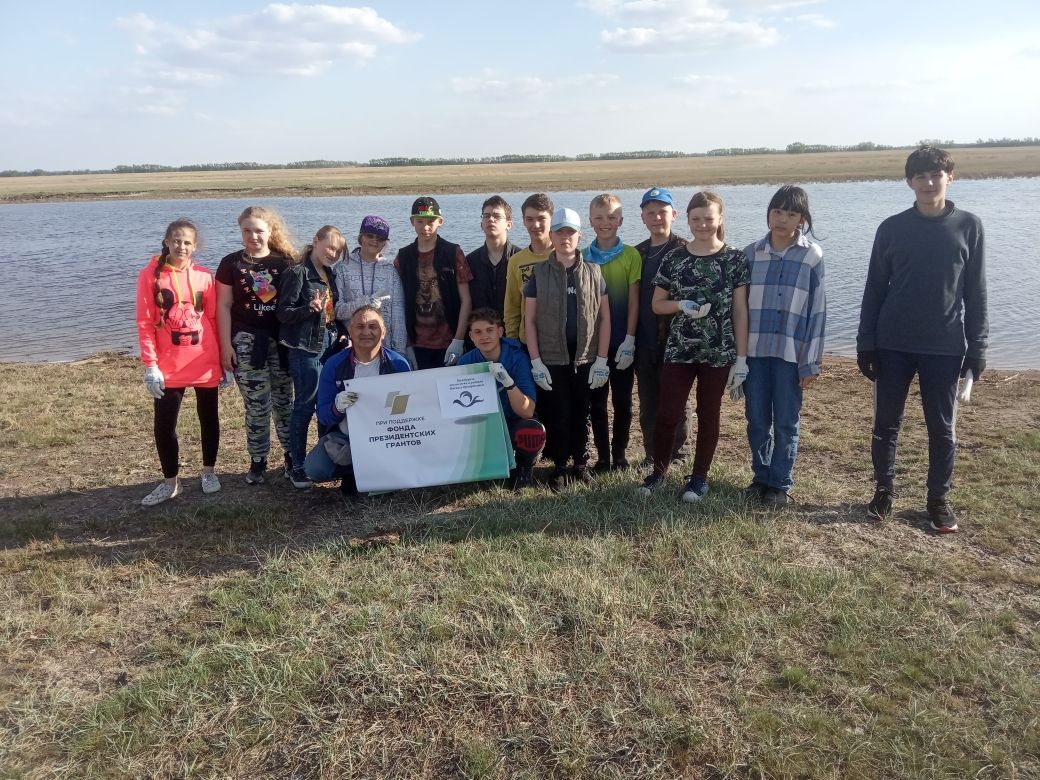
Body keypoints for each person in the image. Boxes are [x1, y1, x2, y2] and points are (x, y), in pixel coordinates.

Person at [857, 146, 987, 534]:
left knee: (942, 428)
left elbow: (976, 292)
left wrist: (977, 347)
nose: (929, 182)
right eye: (921, 176)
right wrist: (865, 342)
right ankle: (884, 491)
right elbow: (874, 289)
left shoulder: (969, 226)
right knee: (886, 423)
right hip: (892, 343)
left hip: (944, 346)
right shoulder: (891, 228)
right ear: (909, 182)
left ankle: (938, 500)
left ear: (950, 177)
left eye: (936, 175)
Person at [640, 191, 750, 502]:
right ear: (687, 220)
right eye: (696, 218)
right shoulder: (675, 258)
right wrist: (680, 305)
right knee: (668, 412)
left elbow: (740, 311)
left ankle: (699, 478)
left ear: (720, 219)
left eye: (708, 218)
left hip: (718, 351)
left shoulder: (734, 259)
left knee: (709, 413)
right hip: (680, 349)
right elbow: (657, 304)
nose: (702, 224)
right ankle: (658, 472)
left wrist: (741, 359)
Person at [741, 186, 826, 506]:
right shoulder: (750, 254)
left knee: (787, 421)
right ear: (768, 214)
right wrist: (737, 356)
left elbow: (817, 311)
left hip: (791, 354)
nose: (782, 219)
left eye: (791, 214)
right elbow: (738, 308)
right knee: (757, 419)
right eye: (777, 211)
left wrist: (811, 362)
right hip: (754, 352)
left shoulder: (811, 256)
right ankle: (761, 477)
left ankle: (780, 483)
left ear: (801, 219)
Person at [135, 219, 222, 506]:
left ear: (194, 246)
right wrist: (151, 365)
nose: (181, 246)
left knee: (209, 418)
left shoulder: (205, 276)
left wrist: (223, 360)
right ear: (166, 242)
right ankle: (171, 482)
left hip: (204, 360)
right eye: (176, 240)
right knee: (164, 424)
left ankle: (208, 472)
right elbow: (145, 323)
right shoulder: (151, 276)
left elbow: (213, 318)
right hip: (169, 365)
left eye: (186, 242)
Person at [524, 207, 610, 490]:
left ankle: (581, 465)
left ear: (579, 236)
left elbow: (605, 319)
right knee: (559, 412)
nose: (565, 238)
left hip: (586, 357)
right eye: (559, 232)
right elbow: (529, 320)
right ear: (551, 236)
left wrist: (602, 360)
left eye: (570, 233)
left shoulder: (594, 272)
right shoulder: (539, 274)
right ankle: (560, 466)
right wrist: (536, 361)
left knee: (583, 412)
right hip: (552, 357)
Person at [216, 205, 296, 485]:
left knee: (284, 403)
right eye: (247, 230)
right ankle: (258, 459)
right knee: (256, 405)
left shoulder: (286, 262)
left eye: (259, 230)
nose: (253, 236)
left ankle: (292, 456)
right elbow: (223, 306)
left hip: (281, 343)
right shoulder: (230, 263)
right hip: (246, 342)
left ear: (270, 231)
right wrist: (225, 346)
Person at [306, 305, 411, 494]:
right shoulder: (334, 364)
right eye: (360, 326)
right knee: (315, 468)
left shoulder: (398, 364)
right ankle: (351, 470)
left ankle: (378, 470)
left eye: (373, 326)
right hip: (347, 437)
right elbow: (323, 415)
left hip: (388, 437)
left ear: (383, 332)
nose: (366, 332)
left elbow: (408, 411)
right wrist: (337, 407)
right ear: (350, 331)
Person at [277, 225, 346, 489]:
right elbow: (283, 313)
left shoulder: (330, 273)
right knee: (304, 406)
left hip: (330, 344)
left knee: (326, 404)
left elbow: (332, 312)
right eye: (330, 247)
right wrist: (308, 308)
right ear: (315, 241)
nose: (333, 254)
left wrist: (342, 333)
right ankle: (297, 467)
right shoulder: (297, 273)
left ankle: (321, 462)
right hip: (306, 348)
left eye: (338, 251)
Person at [634, 187, 691, 466]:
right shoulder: (637, 253)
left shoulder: (685, 250)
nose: (657, 217)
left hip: (675, 340)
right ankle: (652, 454)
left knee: (676, 401)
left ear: (674, 214)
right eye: (651, 212)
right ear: (643, 217)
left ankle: (679, 455)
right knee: (648, 403)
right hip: (643, 341)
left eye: (662, 212)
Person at [458, 307, 546, 489]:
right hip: (484, 426)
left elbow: (527, 411)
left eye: (489, 330)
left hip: (514, 421)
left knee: (531, 430)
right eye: (478, 332)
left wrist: (508, 382)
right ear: (471, 336)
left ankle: (524, 468)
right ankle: (486, 466)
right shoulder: (466, 362)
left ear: (500, 332)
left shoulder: (517, 357)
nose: (484, 336)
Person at [585, 193, 642, 471]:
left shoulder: (631, 255)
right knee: (596, 403)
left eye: (611, 217)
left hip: (621, 343)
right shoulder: (582, 257)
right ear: (590, 221)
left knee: (622, 402)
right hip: (592, 346)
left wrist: (630, 339)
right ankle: (602, 457)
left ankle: (619, 454)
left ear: (621, 220)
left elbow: (634, 302)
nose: (605, 222)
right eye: (598, 217)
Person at [394, 196, 473, 369]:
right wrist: (406, 344)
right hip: (416, 344)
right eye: (420, 221)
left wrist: (459, 340)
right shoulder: (403, 257)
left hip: (449, 341)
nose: (425, 227)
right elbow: (398, 304)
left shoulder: (453, 252)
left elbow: (466, 300)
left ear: (440, 221)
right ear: (412, 222)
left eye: (431, 221)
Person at [335, 215, 407, 354]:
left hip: (384, 348)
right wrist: (366, 302)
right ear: (361, 236)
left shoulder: (391, 272)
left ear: (385, 243)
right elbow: (337, 312)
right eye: (370, 235)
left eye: (380, 238)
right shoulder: (342, 268)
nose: (375, 241)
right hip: (351, 348)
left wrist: (400, 352)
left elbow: (398, 317)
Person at [503, 193, 554, 348]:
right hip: (526, 343)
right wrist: (512, 342)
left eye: (541, 218)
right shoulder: (516, 261)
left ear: (551, 219)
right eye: (529, 219)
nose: (535, 225)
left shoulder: (563, 256)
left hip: (559, 342)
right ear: (524, 221)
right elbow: (512, 307)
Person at [466, 196, 521, 317]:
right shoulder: (470, 261)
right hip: (481, 327)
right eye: (486, 216)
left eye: (497, 216)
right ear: (481, 225)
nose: (491, 219)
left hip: (513, 327)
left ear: (509, 224)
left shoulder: (520, 259)